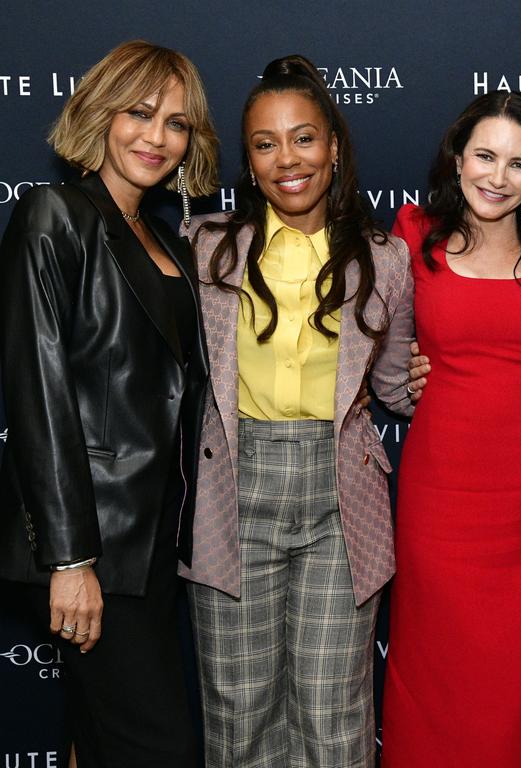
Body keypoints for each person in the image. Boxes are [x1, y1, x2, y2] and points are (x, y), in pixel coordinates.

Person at [179, 55, 413, 768]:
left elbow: (401, 384)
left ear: (334, 146)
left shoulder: (386, 259)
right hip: (232, 496)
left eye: (304, 137)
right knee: (239, 708)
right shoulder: (205, 246)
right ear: (247, 161)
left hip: (340, 498)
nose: (289, 159)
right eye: (266, 143)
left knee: (332, 711)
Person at [0, 40, 218, 767]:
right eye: (141, 113)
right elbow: (39, 394)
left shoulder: (167, 239)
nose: (157, 138)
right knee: (160, 748)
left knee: (99, 742)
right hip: (88, 543)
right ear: (102, 111)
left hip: (153, 545)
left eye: (177, 123)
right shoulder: (53, 216)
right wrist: (70, 559)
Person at [381, 91, 521, 767]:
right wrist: (405, 378)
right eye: (486, 156)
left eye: (518, 164)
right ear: (458, 158)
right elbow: (379, 353)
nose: (498, 177)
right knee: (443, 665)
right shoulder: (413, 236)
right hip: (443, 495)